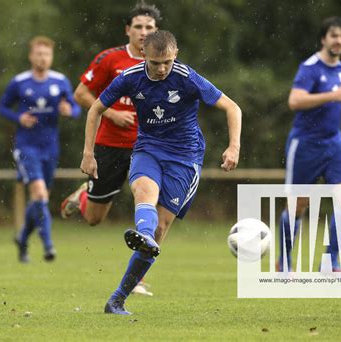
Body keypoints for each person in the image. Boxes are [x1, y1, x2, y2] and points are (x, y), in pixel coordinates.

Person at [80, 30, 242, 314]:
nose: (162, 68)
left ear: (175, 55)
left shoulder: (187, 77)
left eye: (167, 61)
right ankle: (142, 235)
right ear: (145, 55)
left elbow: (232, 107)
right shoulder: (130, 78)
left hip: (185, 158)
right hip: (148, 149)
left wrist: (233, 147)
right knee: (144, 193)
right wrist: (88, 154)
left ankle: (118, 298)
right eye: (155, 63)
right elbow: (95, 109)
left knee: (161, 227)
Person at [60, 1, 161, 296]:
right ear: (128, 30)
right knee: (94, 219)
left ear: (157, 31)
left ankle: (138, 276)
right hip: (110, 146)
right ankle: (83, 197)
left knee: (147, 202)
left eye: (149, 28)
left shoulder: (164, 60)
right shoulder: (110, 59)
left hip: (148, 148)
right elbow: (81, 93)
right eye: (139, 27)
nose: (144, 32)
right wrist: (112, 114)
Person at [278, 17, 341, 273]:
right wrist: (334, 96)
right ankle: (284, 263)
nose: (339, 40)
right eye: (334, 35)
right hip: (306, 144)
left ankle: (330, 261)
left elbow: (334, 98)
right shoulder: (310, 67)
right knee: (298, 206)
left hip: (334, 143)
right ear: (324, 39)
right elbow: (295, 101)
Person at [0, 36, 81, 263]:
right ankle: (48, 246)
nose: (42, 58)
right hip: (26, 147)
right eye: (38, 54)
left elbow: (75, 108)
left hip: (51, 148)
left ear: (51, 57)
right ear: (31, 56)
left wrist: (69, 110)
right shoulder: (20, 82)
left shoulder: (60, 81)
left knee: (39, 201)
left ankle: (22, 239)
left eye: (46, 54)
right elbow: (2, 107)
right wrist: (19, 117)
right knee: (40, 195)